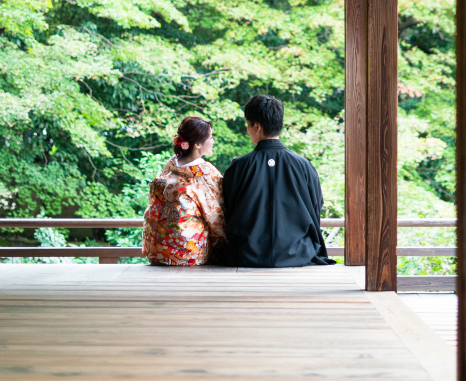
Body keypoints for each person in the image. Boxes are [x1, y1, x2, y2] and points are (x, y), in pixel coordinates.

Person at [222, 94, 333, 268]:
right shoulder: (304, 166)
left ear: (256, 127)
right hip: (297, 254)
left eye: (248, 125)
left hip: (246, 255)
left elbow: (227, 209)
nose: (247, 130)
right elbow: (316, 205)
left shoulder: (238, 167)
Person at [143, 115, 226, 266]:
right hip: (188, 255)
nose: (213, 141)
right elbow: (217, 214)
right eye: (211, 137)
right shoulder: (205, 172)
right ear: (198, 145)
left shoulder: (170, 165)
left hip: (158, 252)